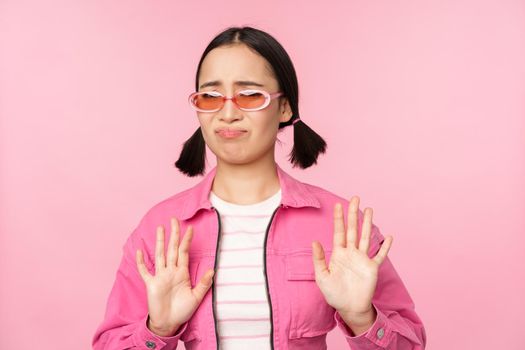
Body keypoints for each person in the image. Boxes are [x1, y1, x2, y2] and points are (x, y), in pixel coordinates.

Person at [92, 26, 426, 350]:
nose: (227, 113)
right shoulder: (162, 228)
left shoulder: (341, 226)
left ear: (285, 107)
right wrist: (159, 329)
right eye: (210, 97)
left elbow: (409, 343)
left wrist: (362, 318)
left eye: (250, 95)